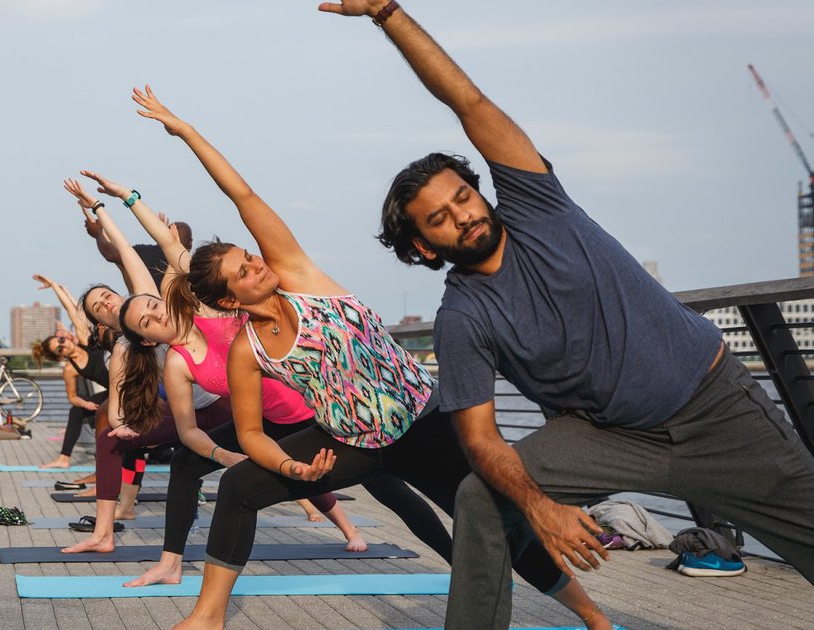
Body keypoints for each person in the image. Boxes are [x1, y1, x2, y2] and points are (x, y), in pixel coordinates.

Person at [323, 1, 814, 627]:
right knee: (481, 497)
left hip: (715, 411)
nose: (464, 215)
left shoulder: (537, 207)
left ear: (480, 191)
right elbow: (479, 439)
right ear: (423, 245)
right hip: (610, 438)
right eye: (440, 218)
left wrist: (387, 14)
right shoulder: (462, 316)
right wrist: (538, 506)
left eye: (464, 197)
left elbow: (470, 104)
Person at [129, 86, 608, 629]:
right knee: (240, 486)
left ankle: (594, 618)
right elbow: (252, 434)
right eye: (244, 271)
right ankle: (207, 617)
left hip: (423, 424)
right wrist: (291, 466)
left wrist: (187, 132)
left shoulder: (302, 279)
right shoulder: (248, 350)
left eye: (249, 256)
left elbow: (244, 195)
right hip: (345, 442)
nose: (257, 265)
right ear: (229, 301)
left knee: (499, 525)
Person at [112, 196, 460, 587]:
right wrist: (226, 455)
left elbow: (175, 253)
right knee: (185, 464)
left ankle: (457, 560)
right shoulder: (178, 364)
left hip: (322, 415)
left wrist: (128, 200)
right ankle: (170, 563)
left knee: (391, 491)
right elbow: (190, 431)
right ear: (146, 340)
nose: (158, 315)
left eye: (154, 306)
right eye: (147, 321)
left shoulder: (214, 311)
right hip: (272, 423)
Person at [59, 176, 231, 553]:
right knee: (110, 439)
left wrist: (101, 206)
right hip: (185, 414)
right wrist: (125, 429)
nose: (104, 304)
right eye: (97, 310)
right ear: (102, 324)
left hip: (222, 401)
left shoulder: (149, 302)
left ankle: (338, 520)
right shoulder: (123, 347)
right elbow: (118, 409)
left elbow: (124, 249)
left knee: (275, 442)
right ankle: (104, 534)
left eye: (105, 296)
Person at [31, 274, 110, 470]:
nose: (63, 344)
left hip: (128, 384)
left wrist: (54, 286)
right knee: (76, 411)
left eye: (61, 341)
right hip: (115, 392)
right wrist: (86, 403)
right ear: (60, 357)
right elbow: (73, 397)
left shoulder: (84, 342)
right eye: (59, 349)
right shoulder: (69, 369)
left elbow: (73, 311)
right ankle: (64, 458)